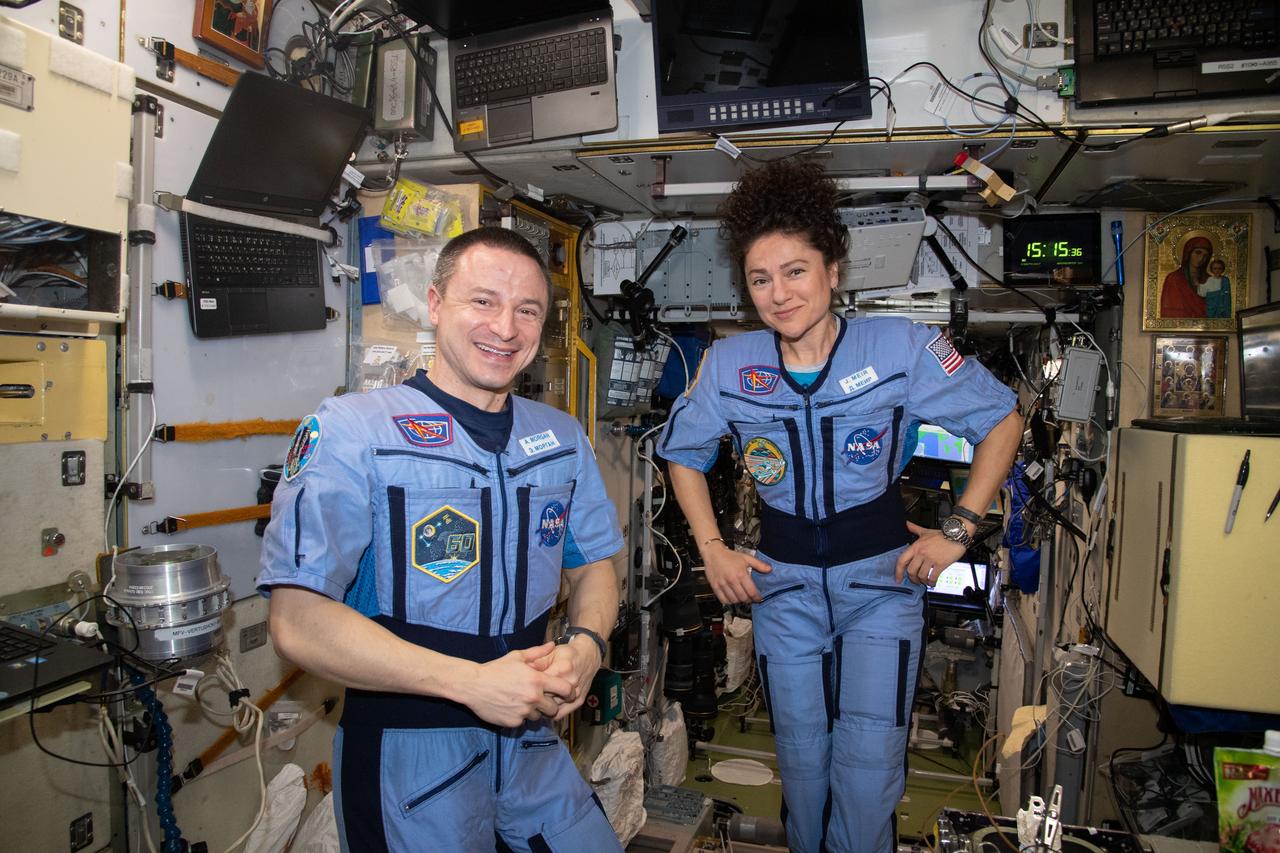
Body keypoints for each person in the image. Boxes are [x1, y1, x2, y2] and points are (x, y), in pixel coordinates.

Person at [657, 160, 1022, 853]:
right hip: (783, 586)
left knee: (865, 769)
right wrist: (711, 547)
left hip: (881, 585)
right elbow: (683, 452)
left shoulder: (900, 348)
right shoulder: (732, 366)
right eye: (761, 279)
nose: (778, 293)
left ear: (833, 270)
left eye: (796, 271)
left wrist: (959, 528)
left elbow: (1002, 420)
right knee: (801, 767)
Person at [259, 227, 624, 853]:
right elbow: (297, 623)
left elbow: (595, 569)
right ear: (434, 304)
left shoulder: (562, 439)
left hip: (532, 736)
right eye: (482, 301)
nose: (505, 327)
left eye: (527, 310)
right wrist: (471, 683)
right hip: (408, 750)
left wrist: (587, 647)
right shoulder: (352, 431)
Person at [1158, 236, 1212, 319]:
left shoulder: (1210, 280)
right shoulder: (1174, 279)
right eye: (1198, 252)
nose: (1201, 258)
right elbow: (1169, 311)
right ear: (1188, 253)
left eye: (1205, 256)